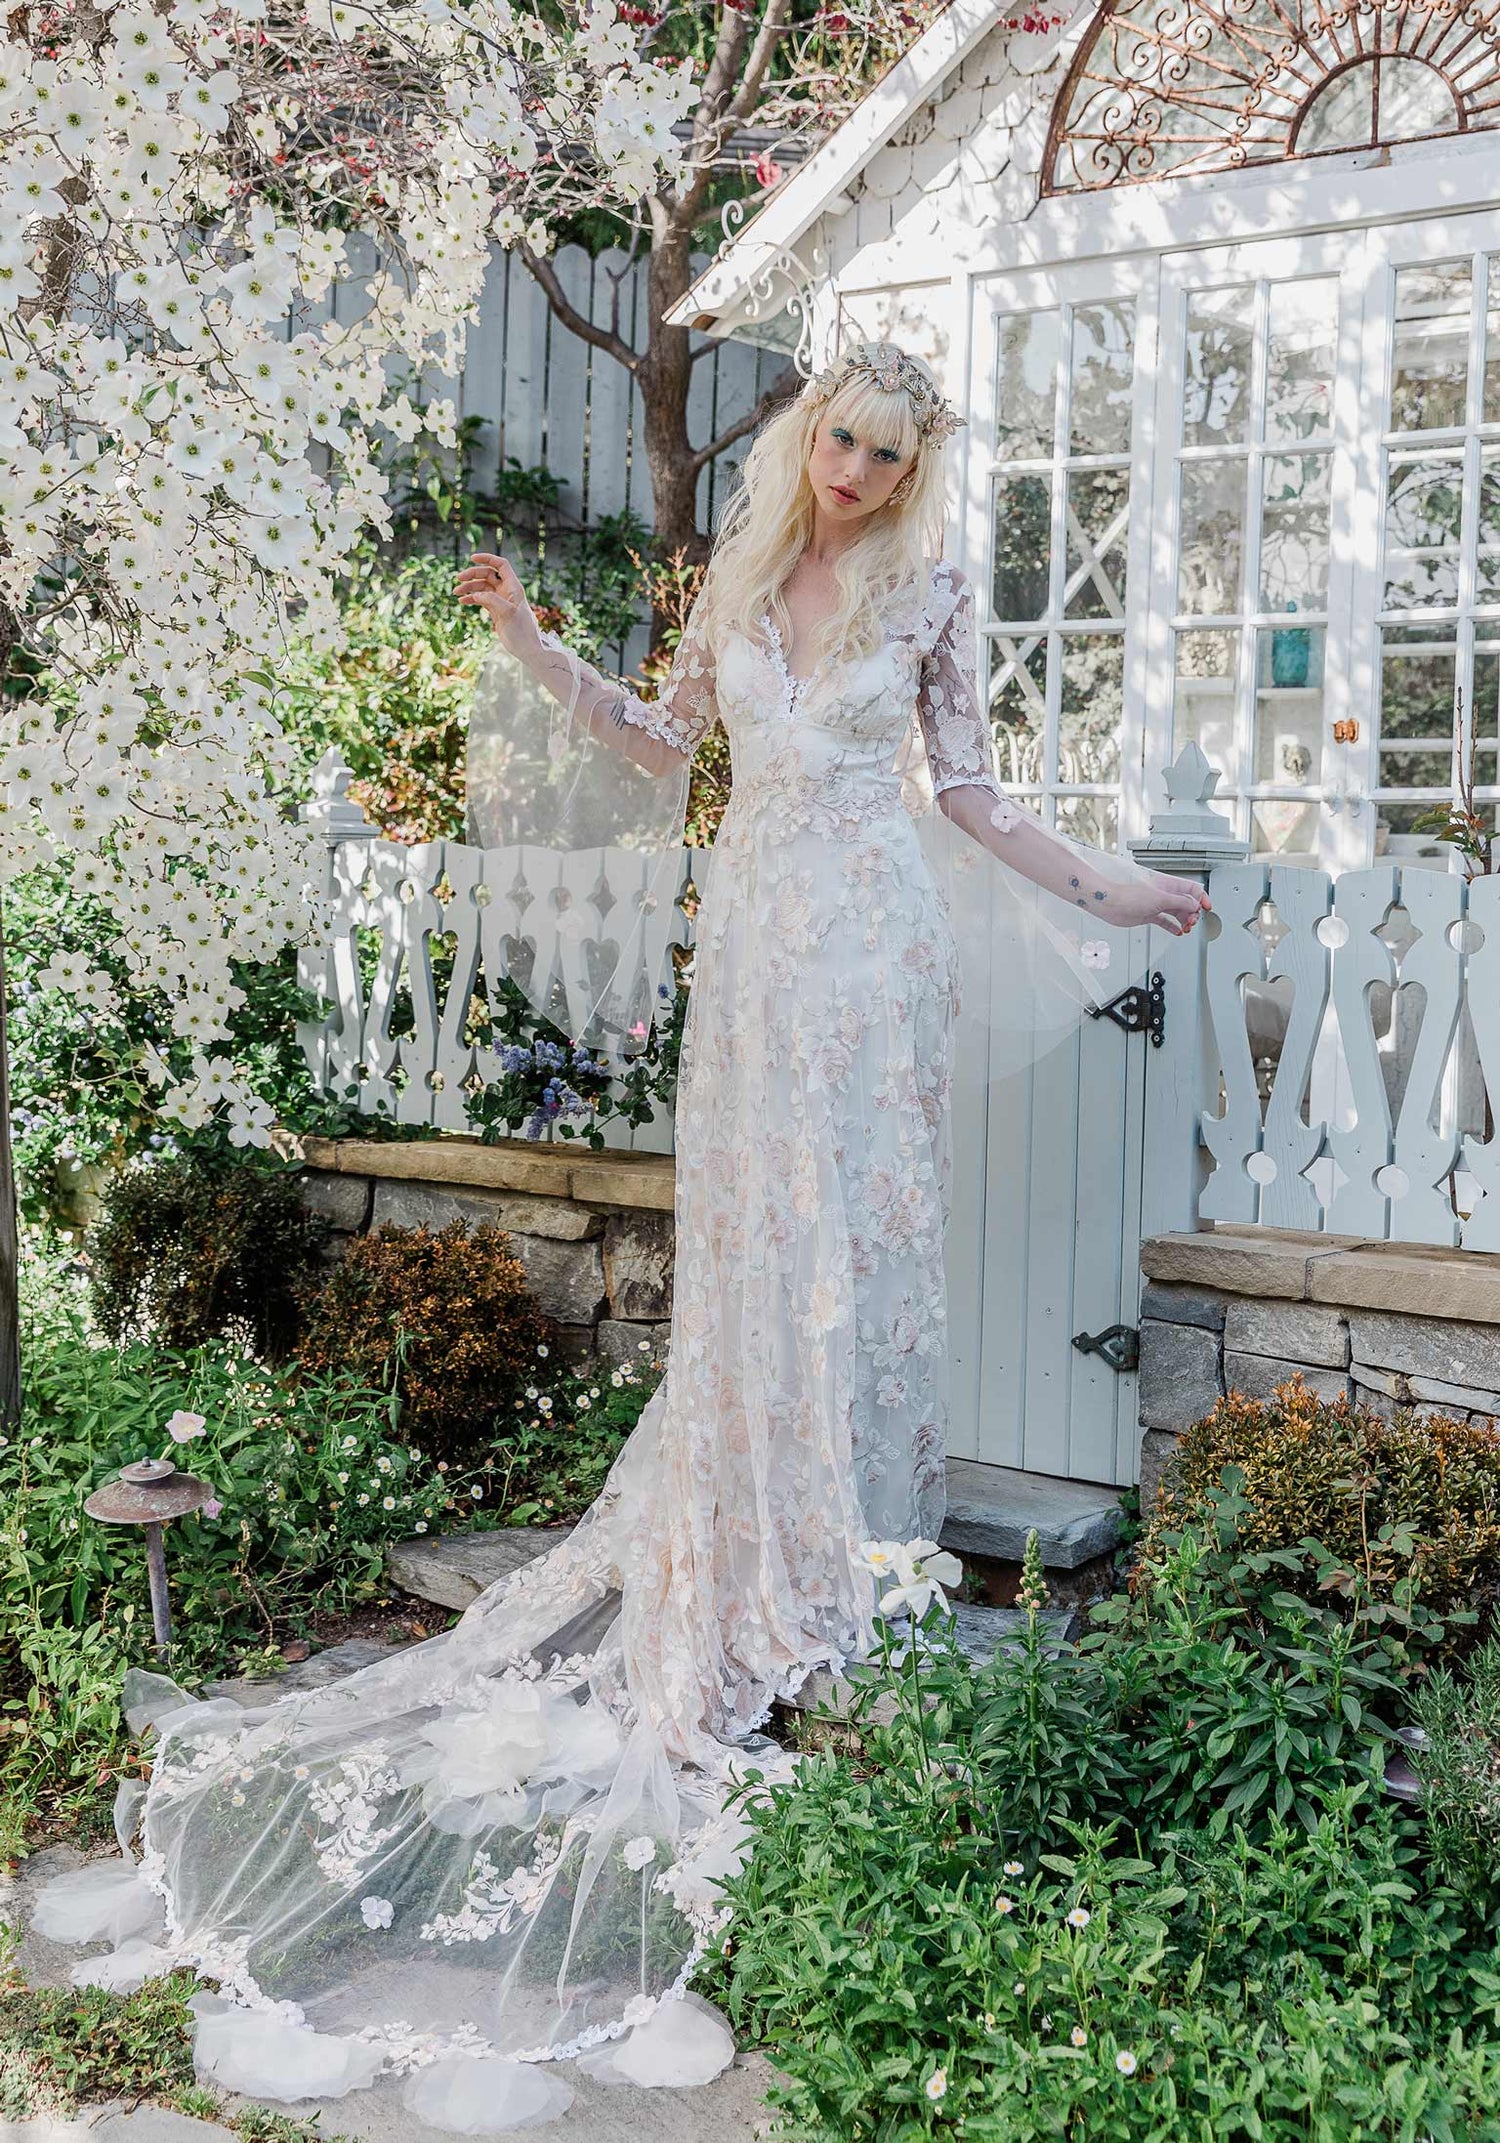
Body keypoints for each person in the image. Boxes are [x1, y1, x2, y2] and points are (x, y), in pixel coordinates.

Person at [36, 345, 1207, 2130]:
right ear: (807, 436)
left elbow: (968, 794)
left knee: (864, 1271)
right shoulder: (738, 579)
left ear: (919, 465)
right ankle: (741, 1535)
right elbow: (664, 742)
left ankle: (845, 1563)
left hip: (877, 959)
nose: (862, 473)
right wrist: (525, 642)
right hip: (748, 962)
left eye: (894, 453)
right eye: (843, 439)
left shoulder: (938, 594)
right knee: (753, 1263)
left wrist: (1116, 884)